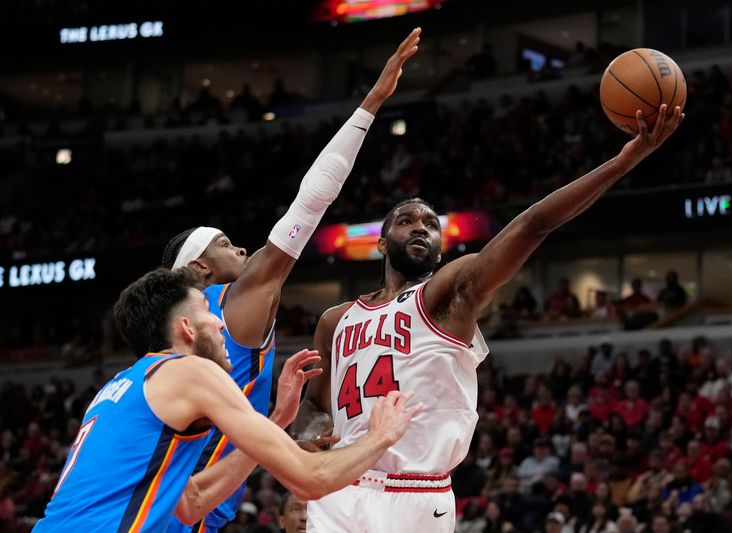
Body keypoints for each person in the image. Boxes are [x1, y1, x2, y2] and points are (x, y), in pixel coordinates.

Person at [294, 103, 684, 533]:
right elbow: (316, 404)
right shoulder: (335, 319)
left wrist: (623, 161)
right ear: (383, 245)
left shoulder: (447, 293)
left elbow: (533, 224)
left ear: (442, 249)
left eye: (430, 224)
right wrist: (307, 434)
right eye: (406, 221)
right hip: (343, 483)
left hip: (415, 495)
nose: (421, 228)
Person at [162, 28, 423, 533]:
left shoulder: (175, 337)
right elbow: (310, 202)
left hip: (182, 501)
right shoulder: (230, 305)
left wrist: (284, 434)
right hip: (173, 510)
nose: (239, 248)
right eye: (223, 244)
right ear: (197, 270)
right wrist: (371, 103)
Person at [33, 268, 421, 531]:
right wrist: (381, 436)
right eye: (207, 311)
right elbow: (310, 479)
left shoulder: (120, 387)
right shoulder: (189, 371)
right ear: (186, 327)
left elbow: (191, 500)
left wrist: (277, 421)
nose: (220, 322)